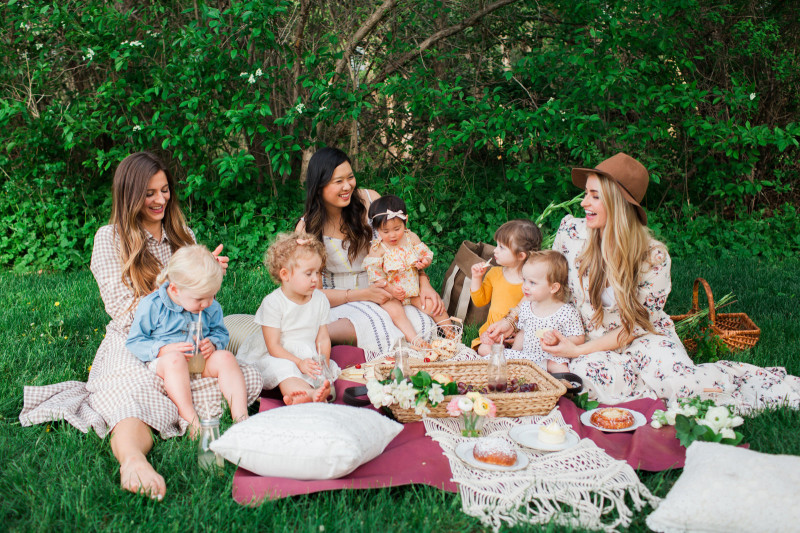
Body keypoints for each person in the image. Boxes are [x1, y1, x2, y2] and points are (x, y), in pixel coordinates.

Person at [20, 151, 262, 500]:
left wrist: (205, 275)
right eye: (150, 192)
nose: (161, 199)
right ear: (130, 194)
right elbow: (123, 309)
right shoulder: (110, 237)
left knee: (238, 369)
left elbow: (199, 294)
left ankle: (208, 414)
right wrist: (178, 294)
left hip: (191, 338)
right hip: (137, 337)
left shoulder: (183, 233)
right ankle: (133, 461)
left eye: (165, 190)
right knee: (132, 395)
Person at [296, 147, 444, 356]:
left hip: (389, 287)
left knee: (421, 321)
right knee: (366, 323)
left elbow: (403, 245)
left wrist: (423, 281)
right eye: (338, 181)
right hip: (338, 300)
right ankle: (320, 335)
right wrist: (363, 295)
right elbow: (313, 293)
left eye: (350, 177)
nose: (347, 186)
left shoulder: (369, 200)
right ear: (319, 186)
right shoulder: (307, 228)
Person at [126, 245, 250, 436]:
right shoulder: (153, 305)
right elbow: (135, 341)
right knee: (175, 360)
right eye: (200, 299)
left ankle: (241, 418)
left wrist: (214, 343)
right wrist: (162, 350)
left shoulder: (210, 306)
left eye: (211, 296)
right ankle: (190, 419)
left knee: (225, 357)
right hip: (167, 365)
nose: (207, 304)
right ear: (175, 289)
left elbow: (221, 332)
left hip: (199, 362)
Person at [235, 232, 335, 405]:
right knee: (285, 368)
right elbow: (273, 346)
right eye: (308, 273)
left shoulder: (320, 300)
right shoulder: (274, 303)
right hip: (277, 355)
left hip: (306, 353)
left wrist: (323, 364)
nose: (315, 279)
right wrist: (298, 362)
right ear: (285, 274)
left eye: (317, 272)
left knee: (317, 373)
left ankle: (304, 396)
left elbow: (323, 337)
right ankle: (308, 395)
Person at [362, 195, 454, 346]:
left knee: (431, 305)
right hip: (391, 292)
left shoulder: (410, 238)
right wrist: (389, 288)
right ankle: (417, 341)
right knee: (396, 312)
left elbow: (425, 253)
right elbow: (375, 274)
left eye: (397, 229)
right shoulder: (378, 248)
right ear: (377, 229)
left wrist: (425, 261)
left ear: (406, 220)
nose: (392, 235)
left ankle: (451, 333)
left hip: (414, 290)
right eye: (385, 231)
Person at [501, 250, 585, 373]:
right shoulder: (526, 307)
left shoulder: (566, 312)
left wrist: (557, 341)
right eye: (524, 280)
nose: (525, 286)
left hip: (552, 356)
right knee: (498, 356)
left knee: (558, 365)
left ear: (553, 287)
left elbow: (579, 338)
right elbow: (523, 334)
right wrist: (515, 353)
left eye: (532, 282)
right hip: (528, 357)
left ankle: (561, 388)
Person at [470, 219, 541, 355]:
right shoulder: (495, 273)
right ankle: (505, 361)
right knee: (485, 350)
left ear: (521, 255)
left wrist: (520, 334)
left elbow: (534, 311)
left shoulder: (530, 281)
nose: (495, 250)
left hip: (517, 336)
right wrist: (476, 278)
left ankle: (510, 358)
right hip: (493, 334)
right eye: (497, 245)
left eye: (502, 247)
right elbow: (480, 301)